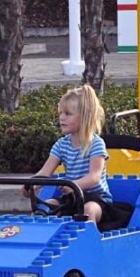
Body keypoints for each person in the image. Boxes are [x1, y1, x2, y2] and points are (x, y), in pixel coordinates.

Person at [28, 84, 111, 224]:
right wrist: (31, 186)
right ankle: (36, 241)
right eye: (61, 113)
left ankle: (88, 243)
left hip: (96, 199)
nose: (61, 118)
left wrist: (74, 184)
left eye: (67, 114)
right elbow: (45, 173)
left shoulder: (96, 144)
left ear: (85, 116)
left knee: (88, 210)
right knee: (44, 207)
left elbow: (94, 176)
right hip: (70, 198)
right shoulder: (61, 144)